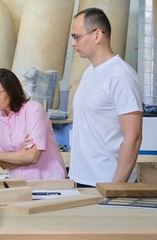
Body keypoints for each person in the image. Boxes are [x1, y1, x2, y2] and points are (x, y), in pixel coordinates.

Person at [68, 8, 143, 187]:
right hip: (81, 178)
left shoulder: (121, 76)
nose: (73, 43)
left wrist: (115, 187)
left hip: (107, 181)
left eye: (77, 37)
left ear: (97, 35)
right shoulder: (89, 72)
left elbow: (133, 137)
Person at [0, 68, 67, 180]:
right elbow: (3, 165)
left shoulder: (33, 110)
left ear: (11, 90)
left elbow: (32, 157)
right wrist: (22, 152)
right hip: (20, 184)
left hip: (49, 182)